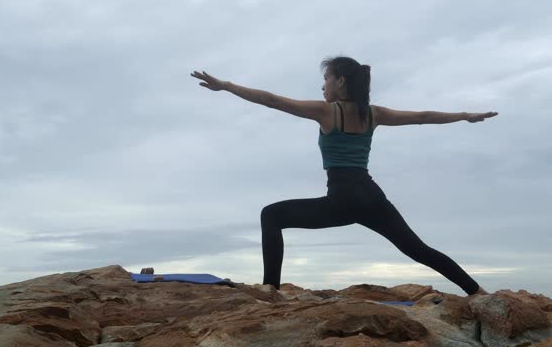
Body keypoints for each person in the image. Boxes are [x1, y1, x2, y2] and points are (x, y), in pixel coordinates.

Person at [191, 56, 497, 296]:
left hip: (341, 200)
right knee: (419, 250)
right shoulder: (374, 113)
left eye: (325, 79)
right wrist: (464, 116)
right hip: (371, 197)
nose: (322, 86)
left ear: (340, 81)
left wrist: (227, 85)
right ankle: (477, 292)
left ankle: (270, 290)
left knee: (271, 215)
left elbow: (272, 100)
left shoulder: (327, 112)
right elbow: (423, 117)